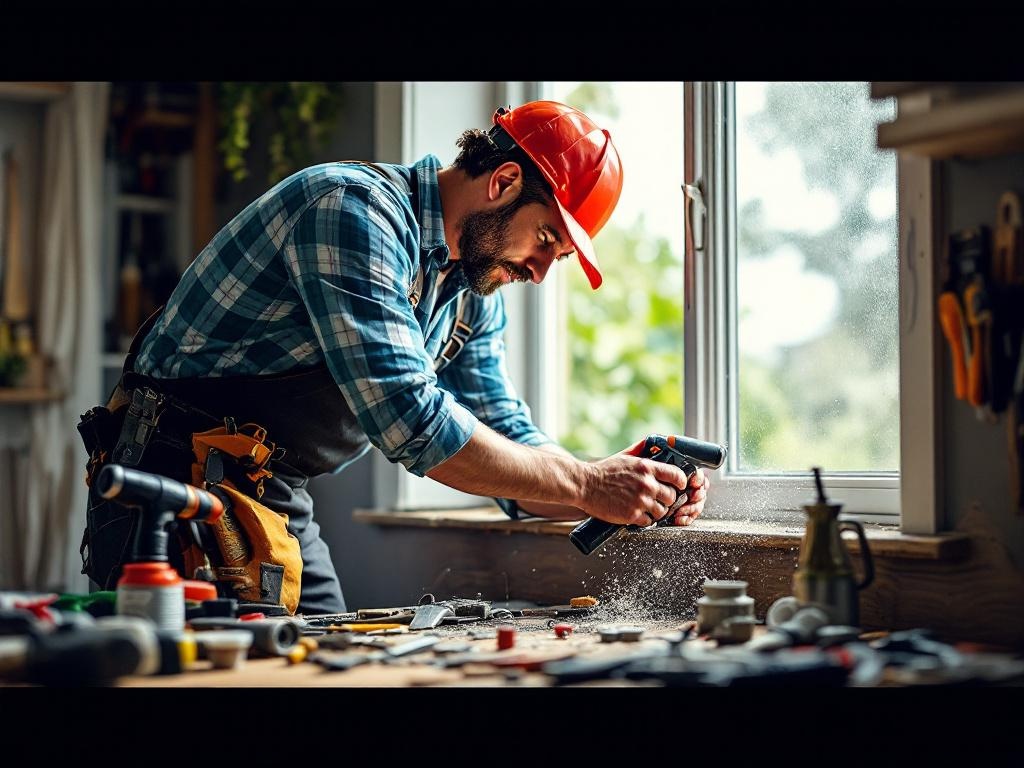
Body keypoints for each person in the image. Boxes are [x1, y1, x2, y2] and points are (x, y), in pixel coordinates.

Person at [93, 100, 709, 614]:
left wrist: (619, 485)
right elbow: (410, 421)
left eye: (560, 258)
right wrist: (586, 483)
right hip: (170, 480)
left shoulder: (470, 293)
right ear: (503, 183)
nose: (542, 273)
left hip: (268, 491)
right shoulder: (349, 209)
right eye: (547, 239)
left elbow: (505, 438)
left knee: (322, 669)